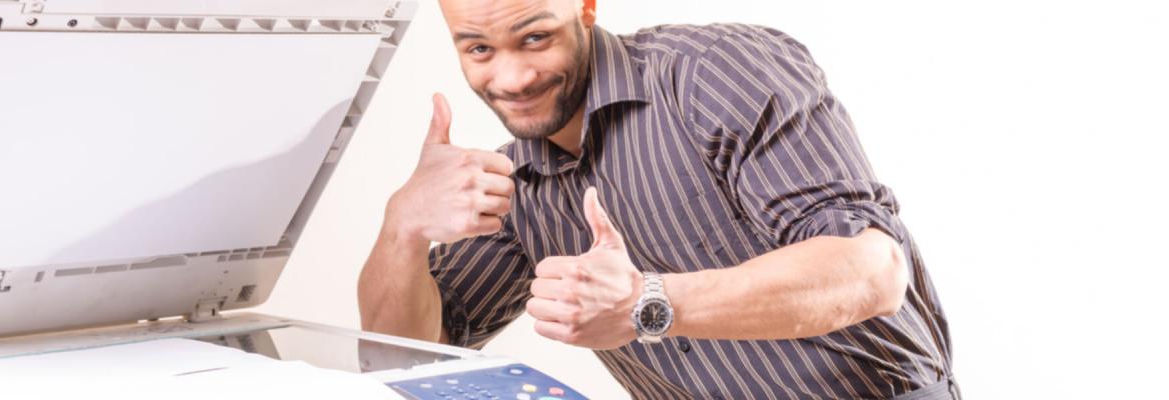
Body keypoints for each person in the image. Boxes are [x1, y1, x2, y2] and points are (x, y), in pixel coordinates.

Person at [357, 0, 957, 398]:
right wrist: (402, 228)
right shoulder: (514, 183)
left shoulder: (715, 74)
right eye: (479, 50)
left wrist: (645, 301)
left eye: (535, 37)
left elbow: (870, 270)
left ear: (585, 7)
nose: (512, 79)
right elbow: (408, 360)